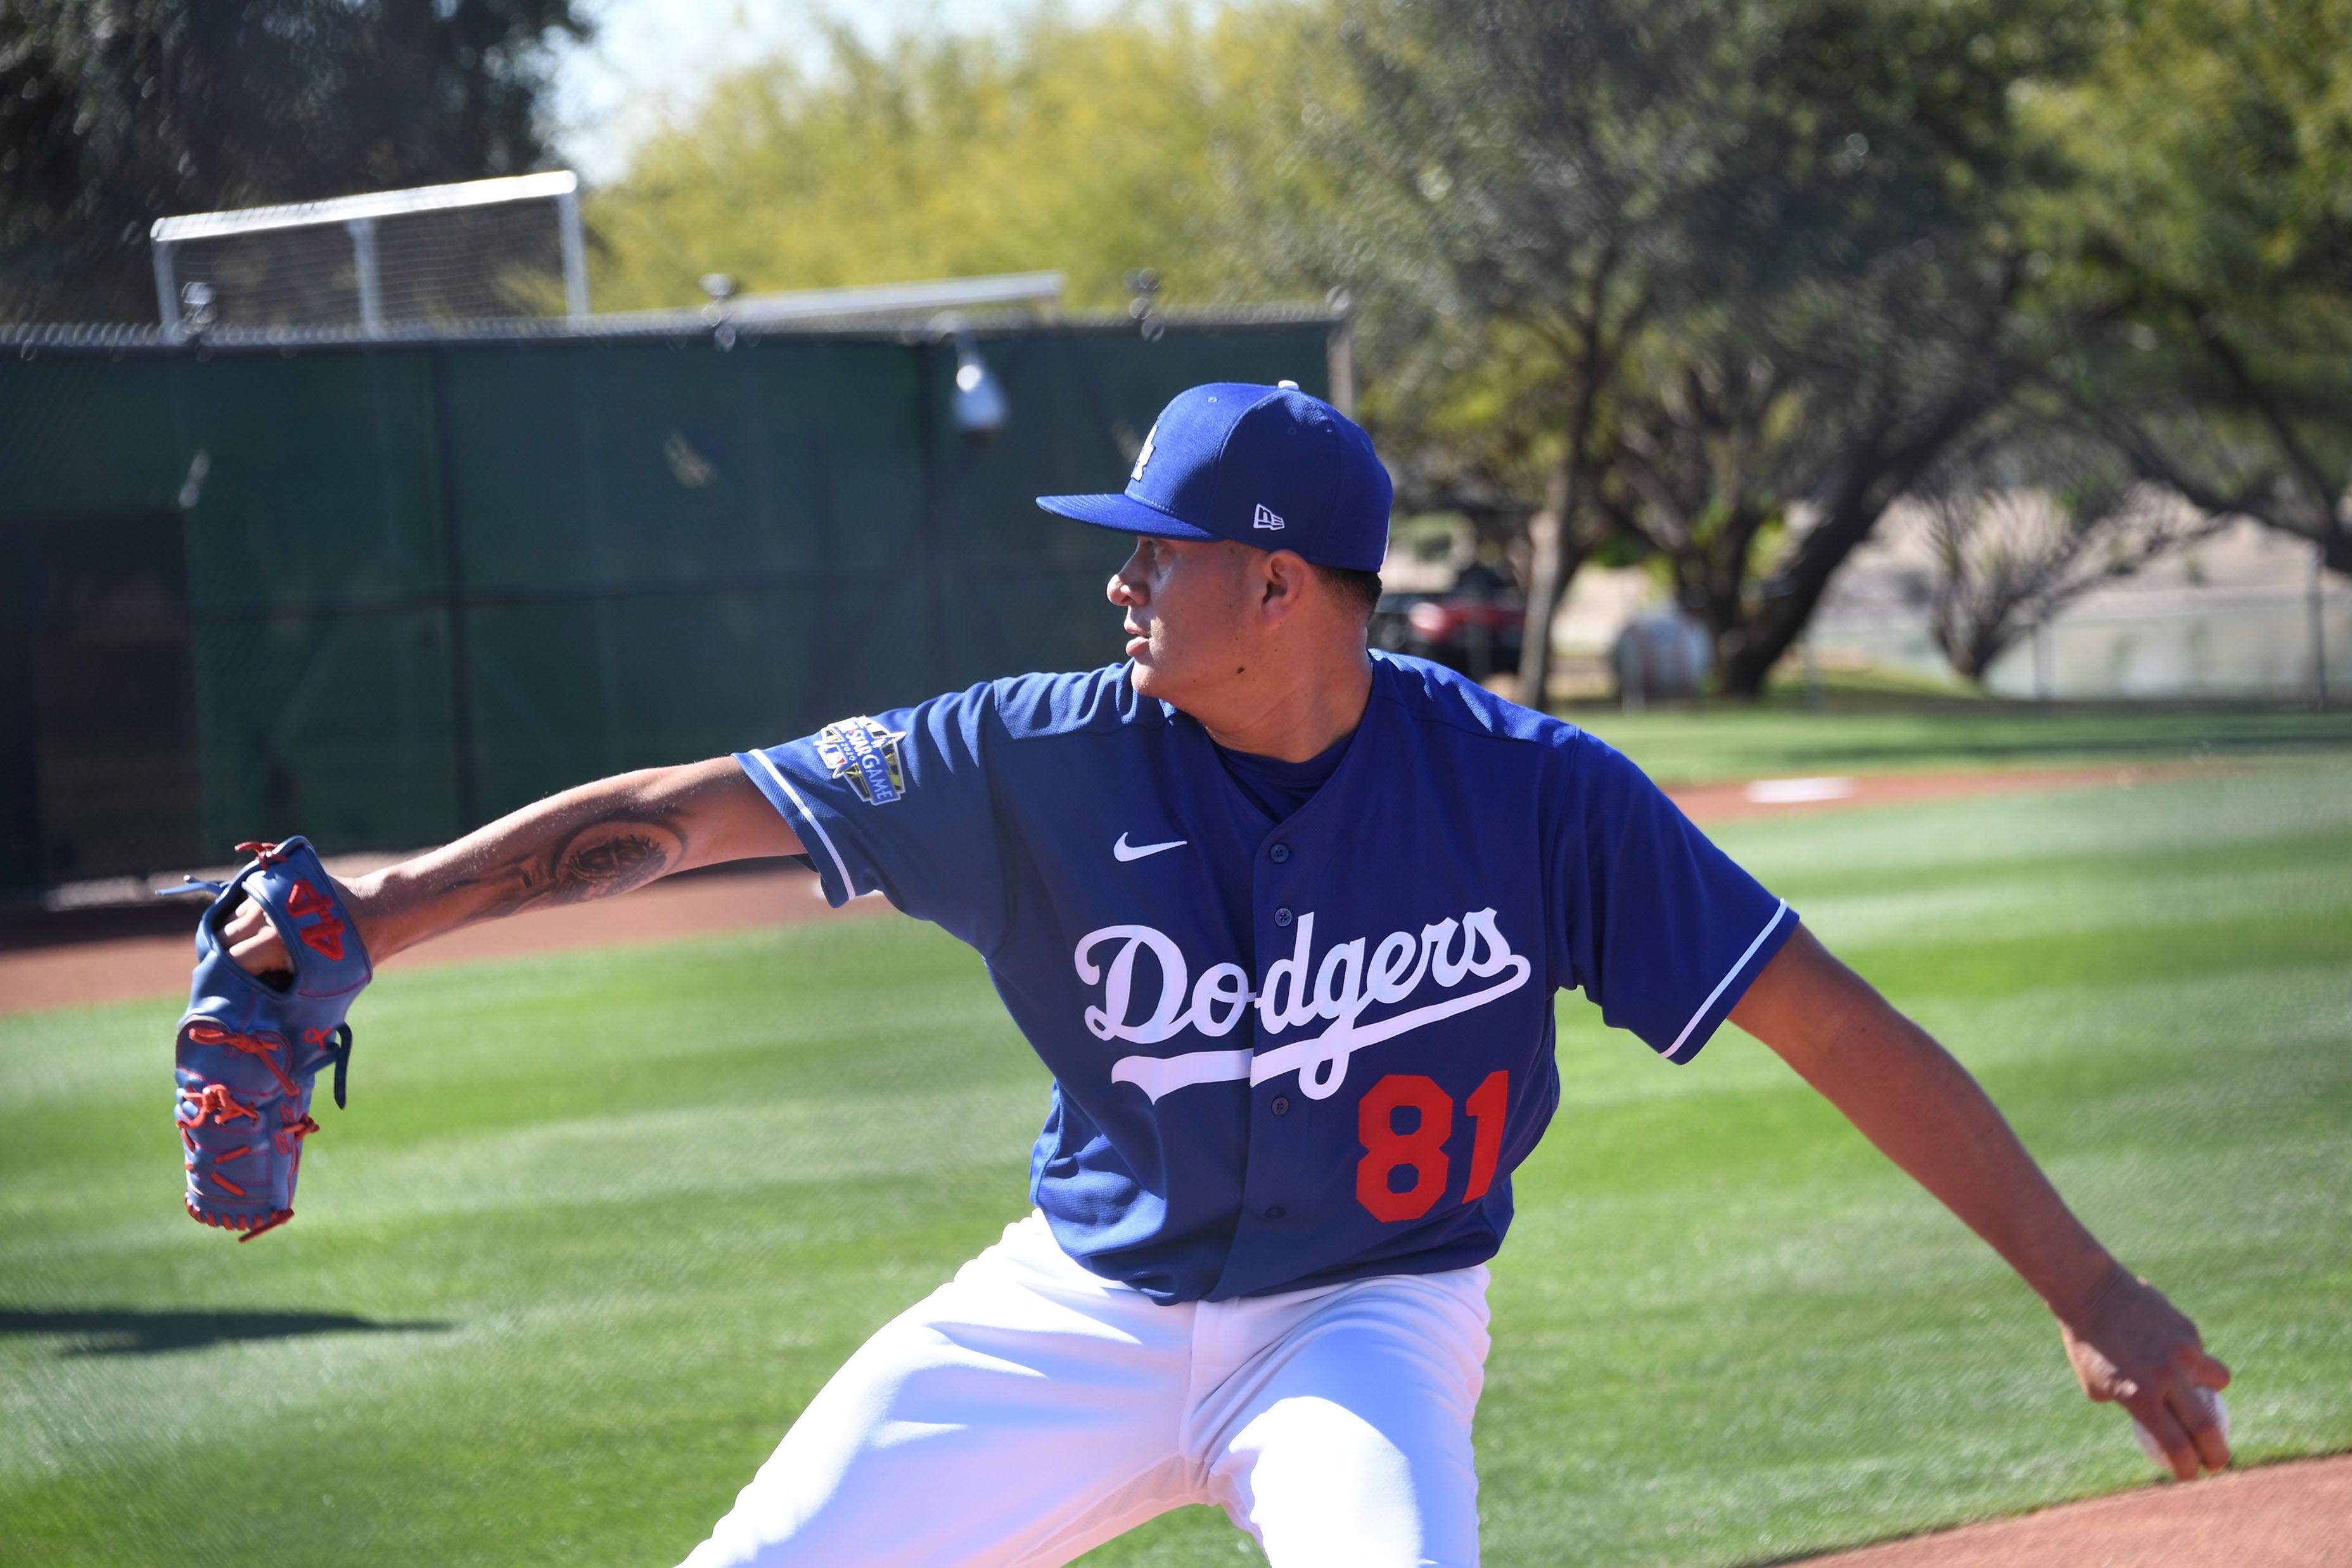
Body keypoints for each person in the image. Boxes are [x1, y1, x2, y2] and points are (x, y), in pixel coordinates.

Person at [217, 384, 2230, 1567]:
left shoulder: (1531, 795)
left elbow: (1830, 1021)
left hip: (1368, 1318)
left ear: (1279, 583)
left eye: (1151, 548)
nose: (1114, 579)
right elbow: (692, 806)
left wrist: (2096, 1285)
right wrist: (381, 916)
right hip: (1072, 1308)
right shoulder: (1039, 746)